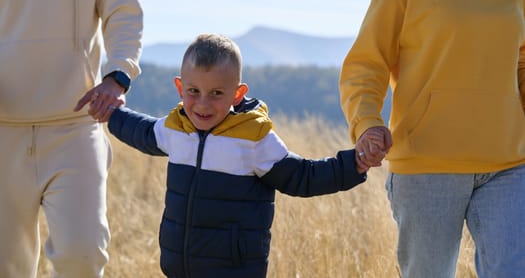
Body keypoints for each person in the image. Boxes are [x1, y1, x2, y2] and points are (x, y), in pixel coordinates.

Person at [100, 33, 384, 278]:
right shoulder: (177, 128)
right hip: (179, 268)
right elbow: (143, 132)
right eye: (194, 91)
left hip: (234, 271)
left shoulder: (252, 138)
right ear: (179, 88)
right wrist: (111, 113)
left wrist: (354, 164)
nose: (202, 103)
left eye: (216, 93)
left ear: (237, 94)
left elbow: (302, 176)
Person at [339, 0, 525, 277]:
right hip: (428, 164)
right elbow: (366, 64)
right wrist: (367, 123)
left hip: (510, 163)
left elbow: (521, 63)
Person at [0, 0, 143, 277]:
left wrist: (117, 76)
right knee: (6, 266)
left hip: (76, 126)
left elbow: (124, 16)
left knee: (82, 255)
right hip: (2, 131)